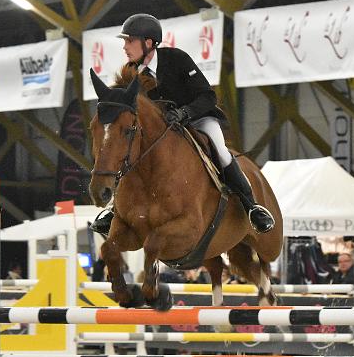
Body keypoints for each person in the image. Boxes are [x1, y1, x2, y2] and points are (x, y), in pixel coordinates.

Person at [90, 13, 274, 236]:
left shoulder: (177, 59)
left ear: (148, 43)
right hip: (164, 130)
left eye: (130, 41)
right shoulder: (132, 71)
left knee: (222, 152)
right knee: (132, 153)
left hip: (197, 119)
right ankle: (115, 210)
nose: (125, 47)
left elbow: (208, 97)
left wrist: (185, 112)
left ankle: (252, 207)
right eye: (125, 41)